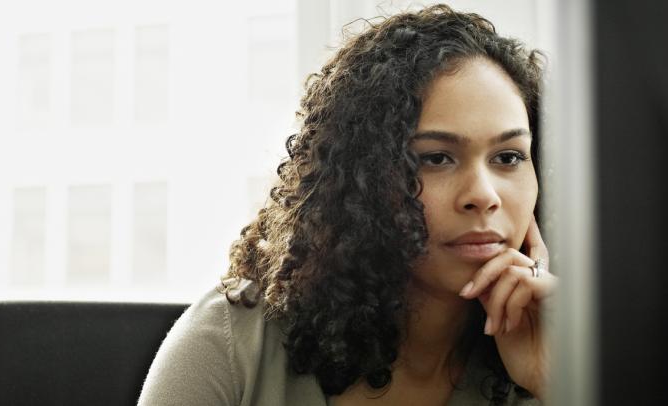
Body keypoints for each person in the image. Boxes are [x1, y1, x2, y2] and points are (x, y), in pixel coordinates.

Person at [138, 5, 555, 406]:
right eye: (435, 158)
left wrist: (555, 382)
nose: (484, 195)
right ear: (362, 179)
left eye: (509, 157)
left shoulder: (550, 348)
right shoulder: (230, 346)